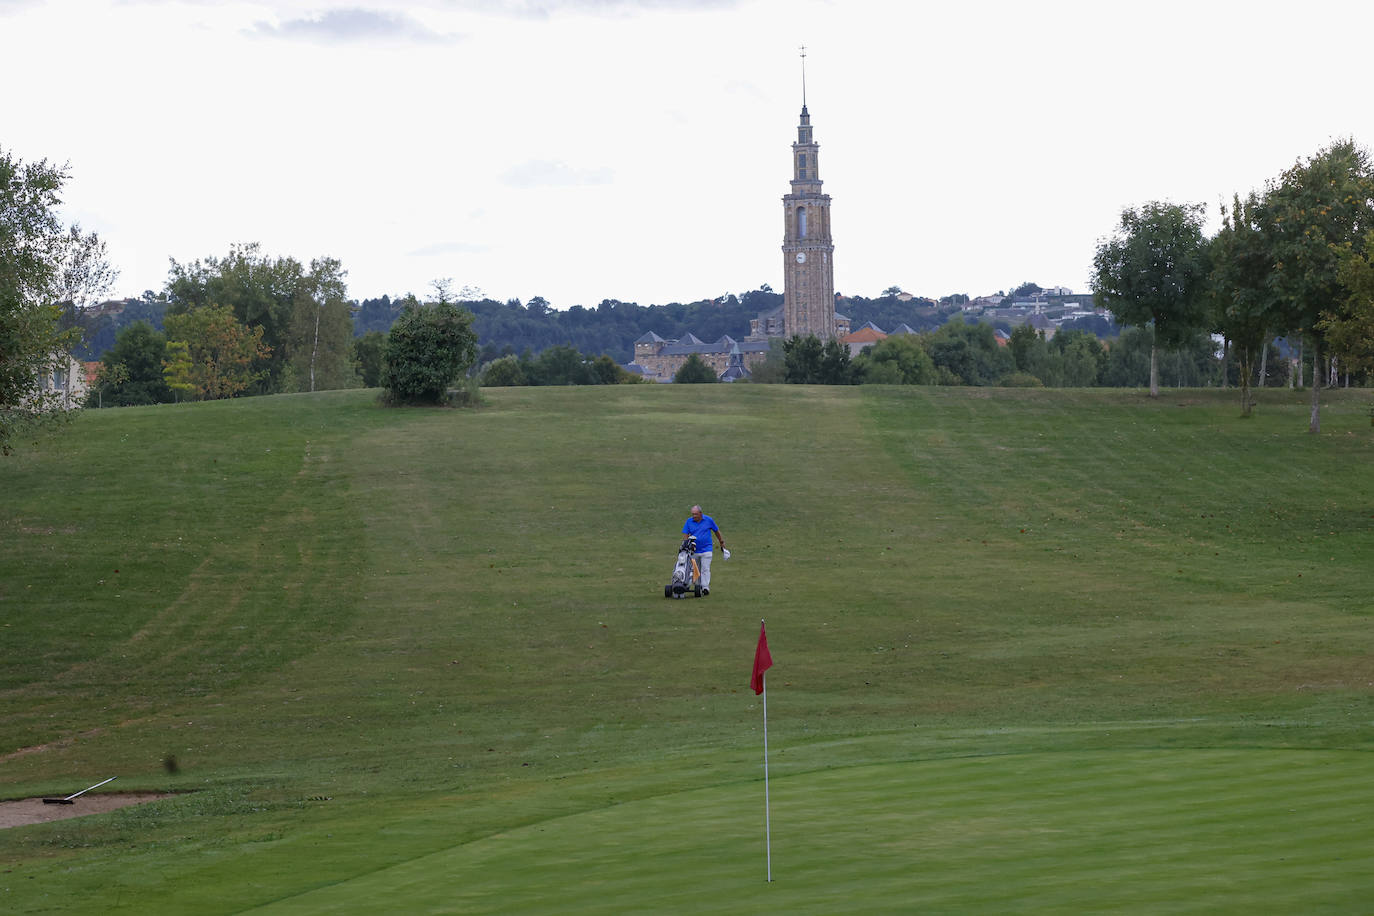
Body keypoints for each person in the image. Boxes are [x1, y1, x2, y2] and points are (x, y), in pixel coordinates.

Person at [680, 505, 728, 595]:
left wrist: (721, 541)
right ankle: (698, 586)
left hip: (707, 549)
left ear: (701, 513)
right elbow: (685, 534)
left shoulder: (709, 520)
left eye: (696, 514)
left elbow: (716, 531)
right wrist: (685, 544)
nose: (694, 516)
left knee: (705, 568)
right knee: (695, 569)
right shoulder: (689, 521)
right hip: (694, 550)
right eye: (693, 514)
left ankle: (705, 587)